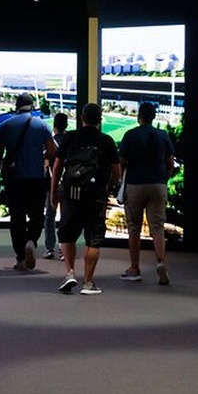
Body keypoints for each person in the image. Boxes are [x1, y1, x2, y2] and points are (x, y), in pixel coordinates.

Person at [50, 103, 120, 295]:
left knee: (67, 234)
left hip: (71, 193)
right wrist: (109, 187)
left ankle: (70, 272)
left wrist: (54, 190)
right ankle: (88, 282)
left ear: (81, 118)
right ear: (99, 119)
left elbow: (57, 167)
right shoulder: (107, 141)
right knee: (93, 239)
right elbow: (116, 171)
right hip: (96, 195)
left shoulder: (70, 137)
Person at [0, 93, 56, 271]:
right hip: (36, 178)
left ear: (16, 105)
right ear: (32, 106)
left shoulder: (4, 126)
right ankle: (31, 240)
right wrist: (42, 158)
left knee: (17, 218)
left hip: (14, 180)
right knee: (37, 216)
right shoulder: (41, 125)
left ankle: (20, 257)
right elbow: (52, 152)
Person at [118, 102, 175, 285]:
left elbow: (122, 163)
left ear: (139, 116)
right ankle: (160, 261)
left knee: (134, 228)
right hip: (158, 184)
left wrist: (121, 182)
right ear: (154, 116)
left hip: (135, 184)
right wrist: (163, 179)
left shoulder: (130, 135)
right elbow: (170, 163)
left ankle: (134, 269)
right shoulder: (163, 135)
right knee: (157, 227)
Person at [43, 112, 69, 260]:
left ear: (54, 126)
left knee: (50, 216)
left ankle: (49, 248)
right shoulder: (71, 141)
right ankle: (63, 248)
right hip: (66, 184)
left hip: (51, 183)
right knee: (65, 217)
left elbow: (44, 163)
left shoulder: (49, 142)